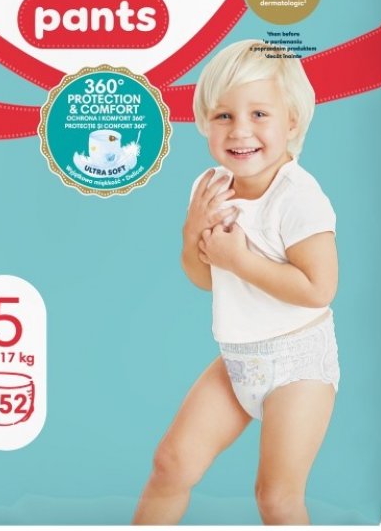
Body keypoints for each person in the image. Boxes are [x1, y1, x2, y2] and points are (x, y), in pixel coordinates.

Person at [133, 39, 339, 526]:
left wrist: (241, 261)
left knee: (276, 497)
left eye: (259, 114)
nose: (240, 130)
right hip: (238, 359)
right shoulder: (211, 188)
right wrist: (192, 233)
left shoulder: (298, 197)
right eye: (223, 116)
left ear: (292, 122)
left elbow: (318, 289)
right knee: (171, 464)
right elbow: (204, 278)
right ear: (205, 123)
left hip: (298, 363)